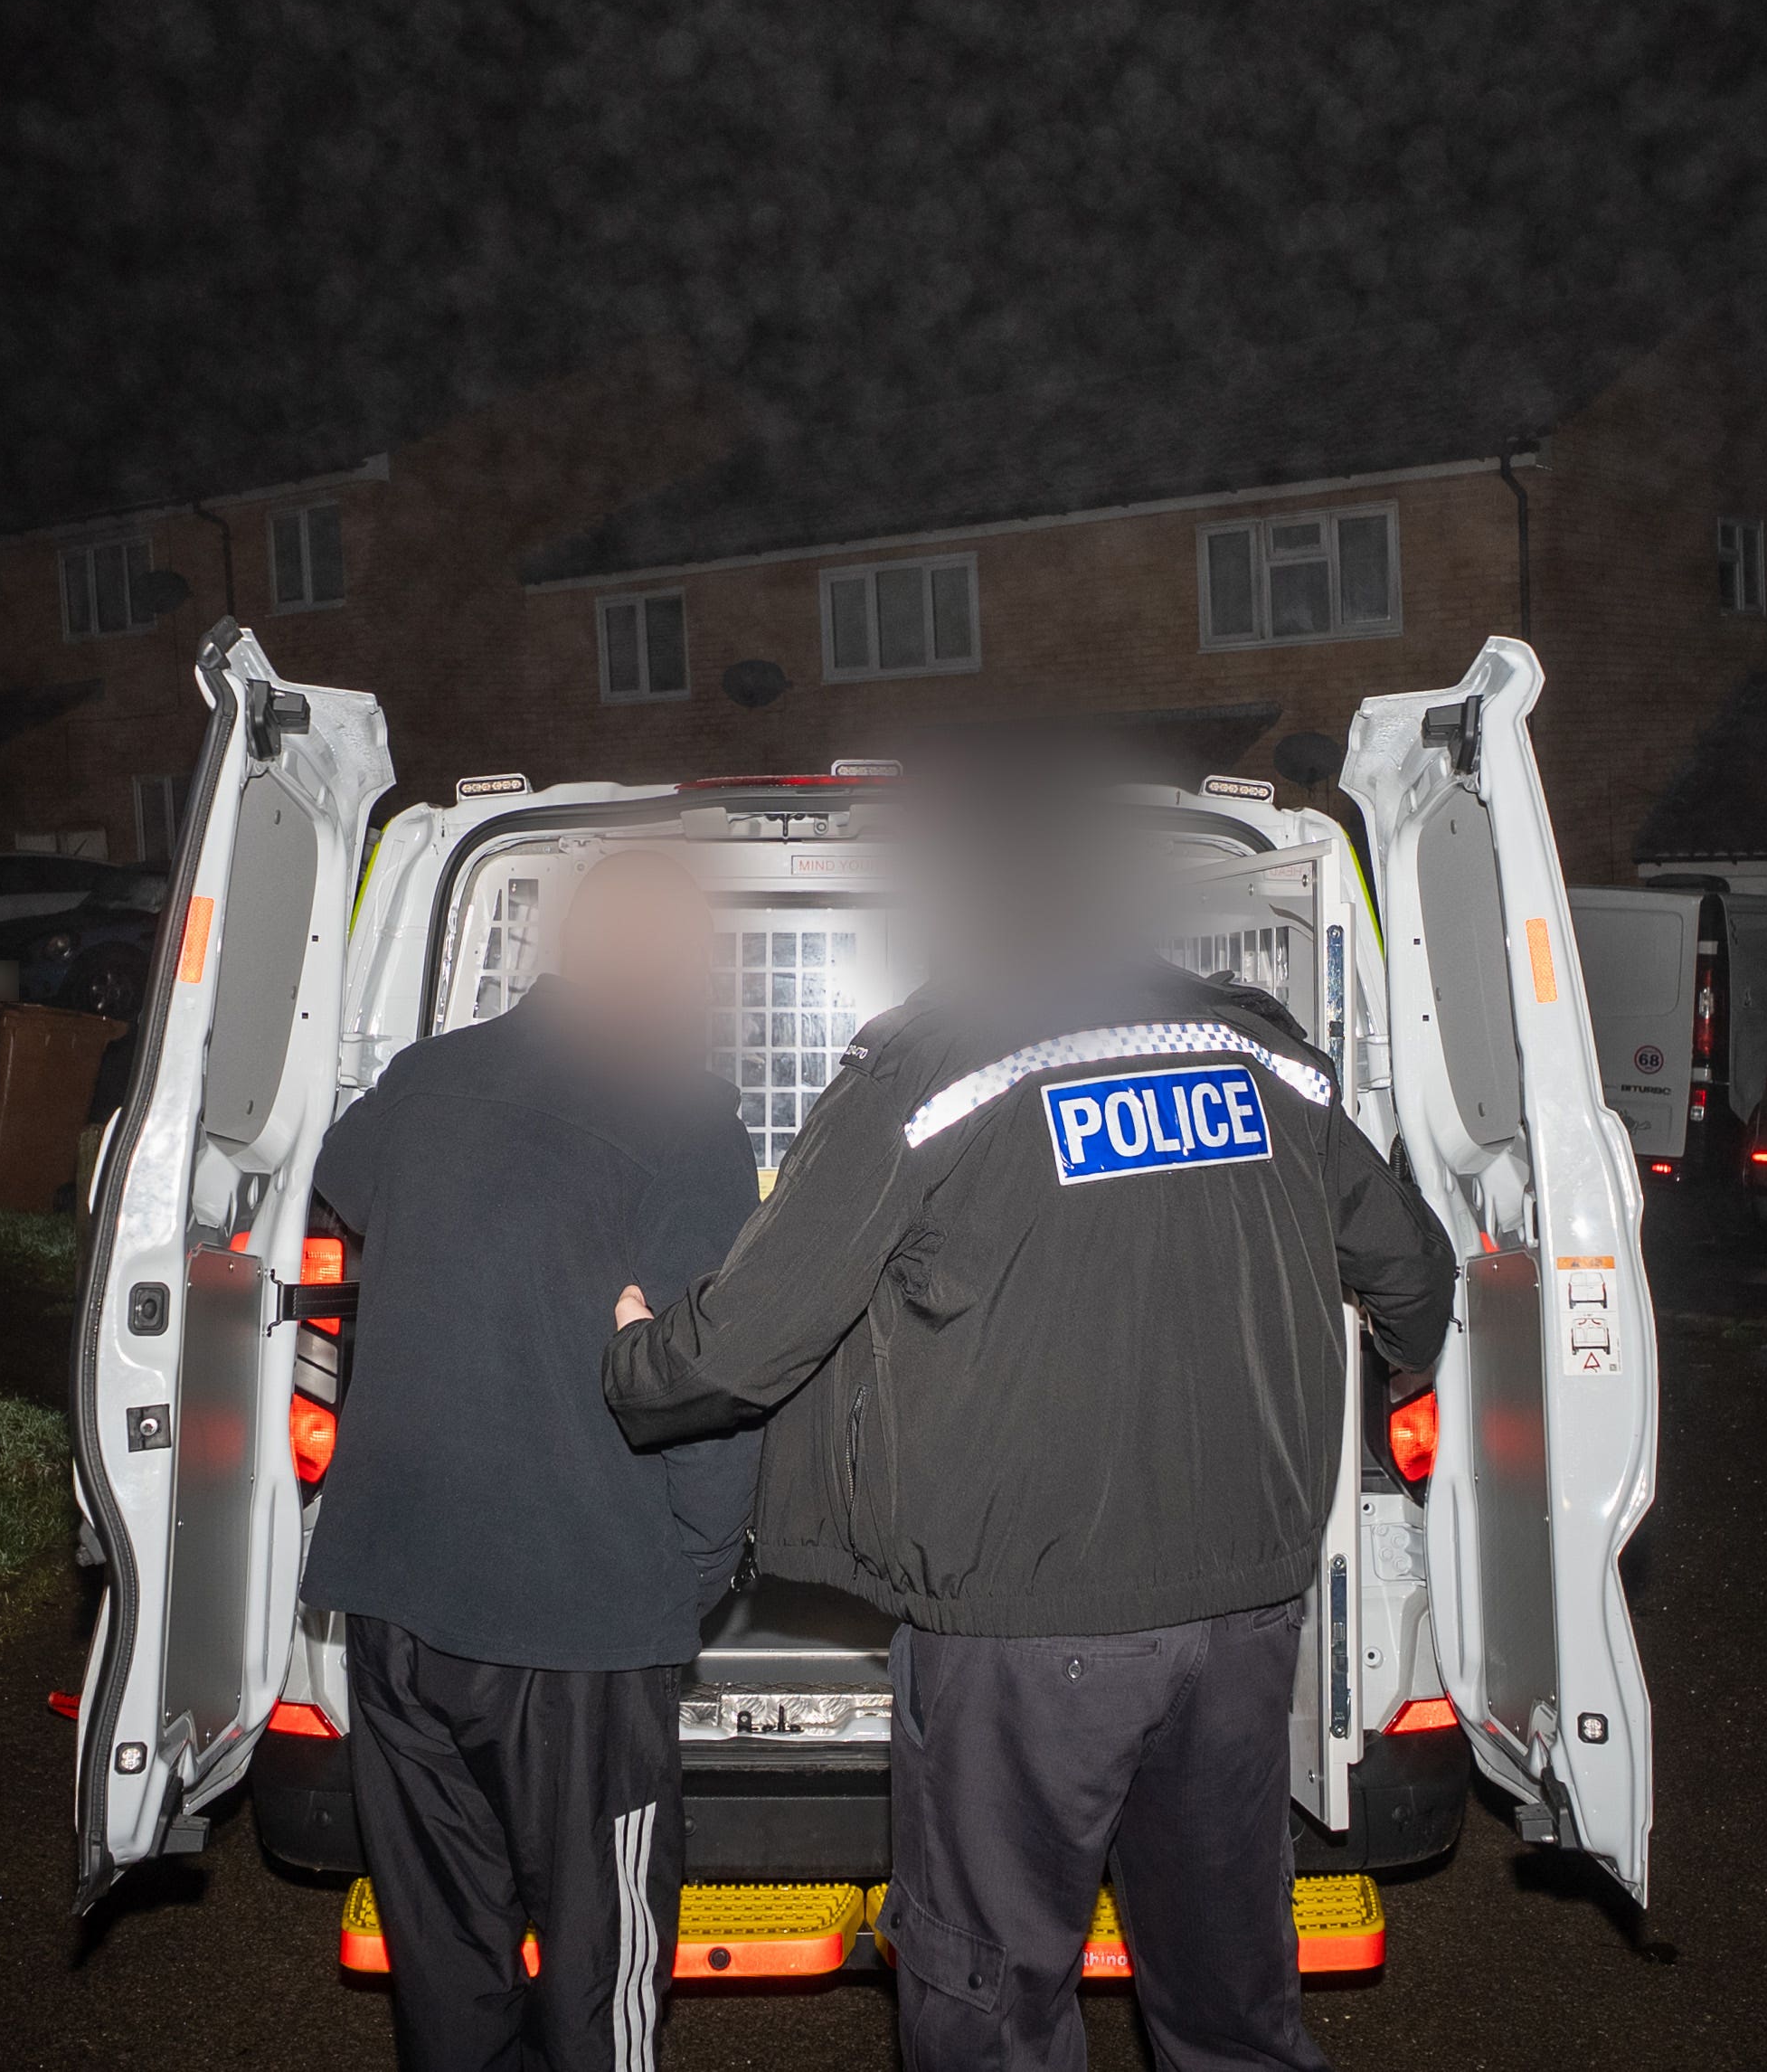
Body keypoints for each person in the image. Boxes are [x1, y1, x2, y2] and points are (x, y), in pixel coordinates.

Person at [600, 786, 1457, 2072]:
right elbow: (1410, 1275)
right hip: (1244, 1614)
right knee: (1230, 1983)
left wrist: (623, 1364)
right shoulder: (1261, 1055)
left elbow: (746, 1341)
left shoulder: (934, 1063)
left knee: (989, 1988)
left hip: (1028, 1625)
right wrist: (1394, 1390)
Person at [305, 849, 758, 2072]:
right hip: (576, 1610)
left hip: (394, 1592)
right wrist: (700, 1567)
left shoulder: (427, 1076)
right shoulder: (684, 1115)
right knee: (599, 1959)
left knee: (447, 1958)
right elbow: (711, 1376)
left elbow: (342, 1187)